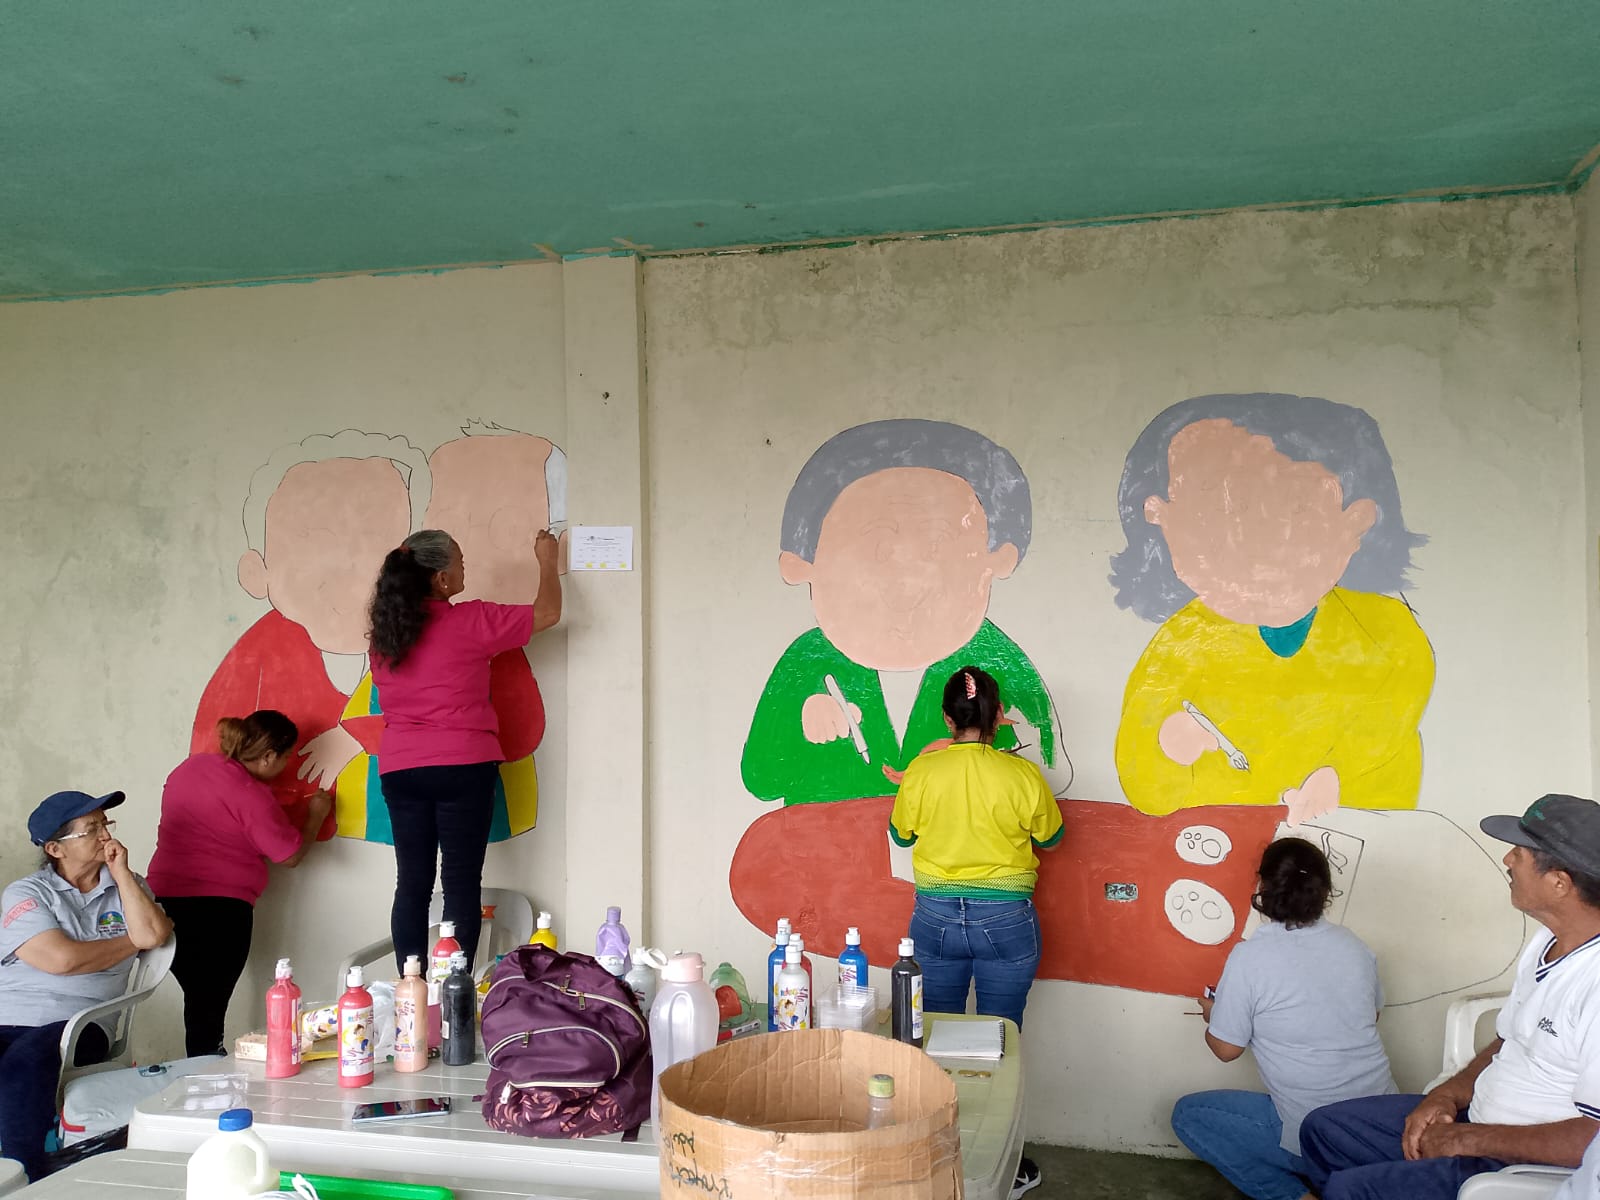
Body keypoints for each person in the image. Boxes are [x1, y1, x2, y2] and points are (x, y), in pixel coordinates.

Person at [1110, 393, 1433, 824]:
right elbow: (1142, 781)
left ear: (1356, 522)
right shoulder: (1180, 644)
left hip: (1358, 835)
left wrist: (1337, 773)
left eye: (1290, 513)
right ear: (1159, 517)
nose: (1246, 542)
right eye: (1211, 514)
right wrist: (1168, 748)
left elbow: (1392, 713)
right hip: (1227, 841)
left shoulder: (1386, 629)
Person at [1300, 793, 1600, 1200]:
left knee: (1349, 1190)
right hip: (1476, 1121)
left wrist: (1467, 1140)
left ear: (1559, 883)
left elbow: (1592, 1140)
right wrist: (1446, 1095)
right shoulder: (1547, 940)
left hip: (1519, 1162)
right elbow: (1508, 1039)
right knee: (1323, 1130)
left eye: (1520, 852)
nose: (1508, 859)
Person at [888, 665, 1064, 1199]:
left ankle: (935, 1163)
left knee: (933, 1039)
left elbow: (901, 834)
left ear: (948, 718)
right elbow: (1052, 838)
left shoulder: (924, 771)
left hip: (935, 918)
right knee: (1001, 1040)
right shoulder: (1022, 775)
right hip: (1006, 921)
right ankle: (1002, 1168)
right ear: (998, 717)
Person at [368, 526, 561, 971]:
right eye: (459, 562)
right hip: (462, 764)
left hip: (401, 769)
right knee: (460, 884)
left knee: (411, 884)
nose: (463, 568)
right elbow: (549, 612)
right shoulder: (471, 620)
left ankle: (412, 990)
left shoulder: (385, 636)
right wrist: (547, 560)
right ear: (440, 579)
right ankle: (453, 995)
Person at [1172, 838, 1396, 1200]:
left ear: (1263, 888)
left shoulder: (1251, 957)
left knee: (1188, 1116)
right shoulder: (1353, 945)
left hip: (1319, 1135)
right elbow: (1371, 1015)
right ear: (1325, 891)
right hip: (1383, 1127)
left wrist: (1215, 1016)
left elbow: (1227, 1049)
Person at [0, 790, 173, 1181]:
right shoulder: (28, 893)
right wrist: (133, 941)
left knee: (26, 1060)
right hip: (8, 1016)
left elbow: (154, 934)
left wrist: (122, 874)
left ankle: (25, 1177)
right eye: (91, 828)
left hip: (80, 1024)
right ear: (55, 848)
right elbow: (61, 960)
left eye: (105, 824)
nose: (106, 835)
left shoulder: (128, 887)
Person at [148, 711, 332, 1056]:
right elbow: (289, 855)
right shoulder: (251, 794)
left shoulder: (190, 768)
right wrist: (315, 816)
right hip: (219, 911)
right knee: (208, 1007)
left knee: (197, 1001)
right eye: (287, 756)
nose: (288, 764)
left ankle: (199, 1066)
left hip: (162, 903)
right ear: (268, 756)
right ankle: (204, 1072)